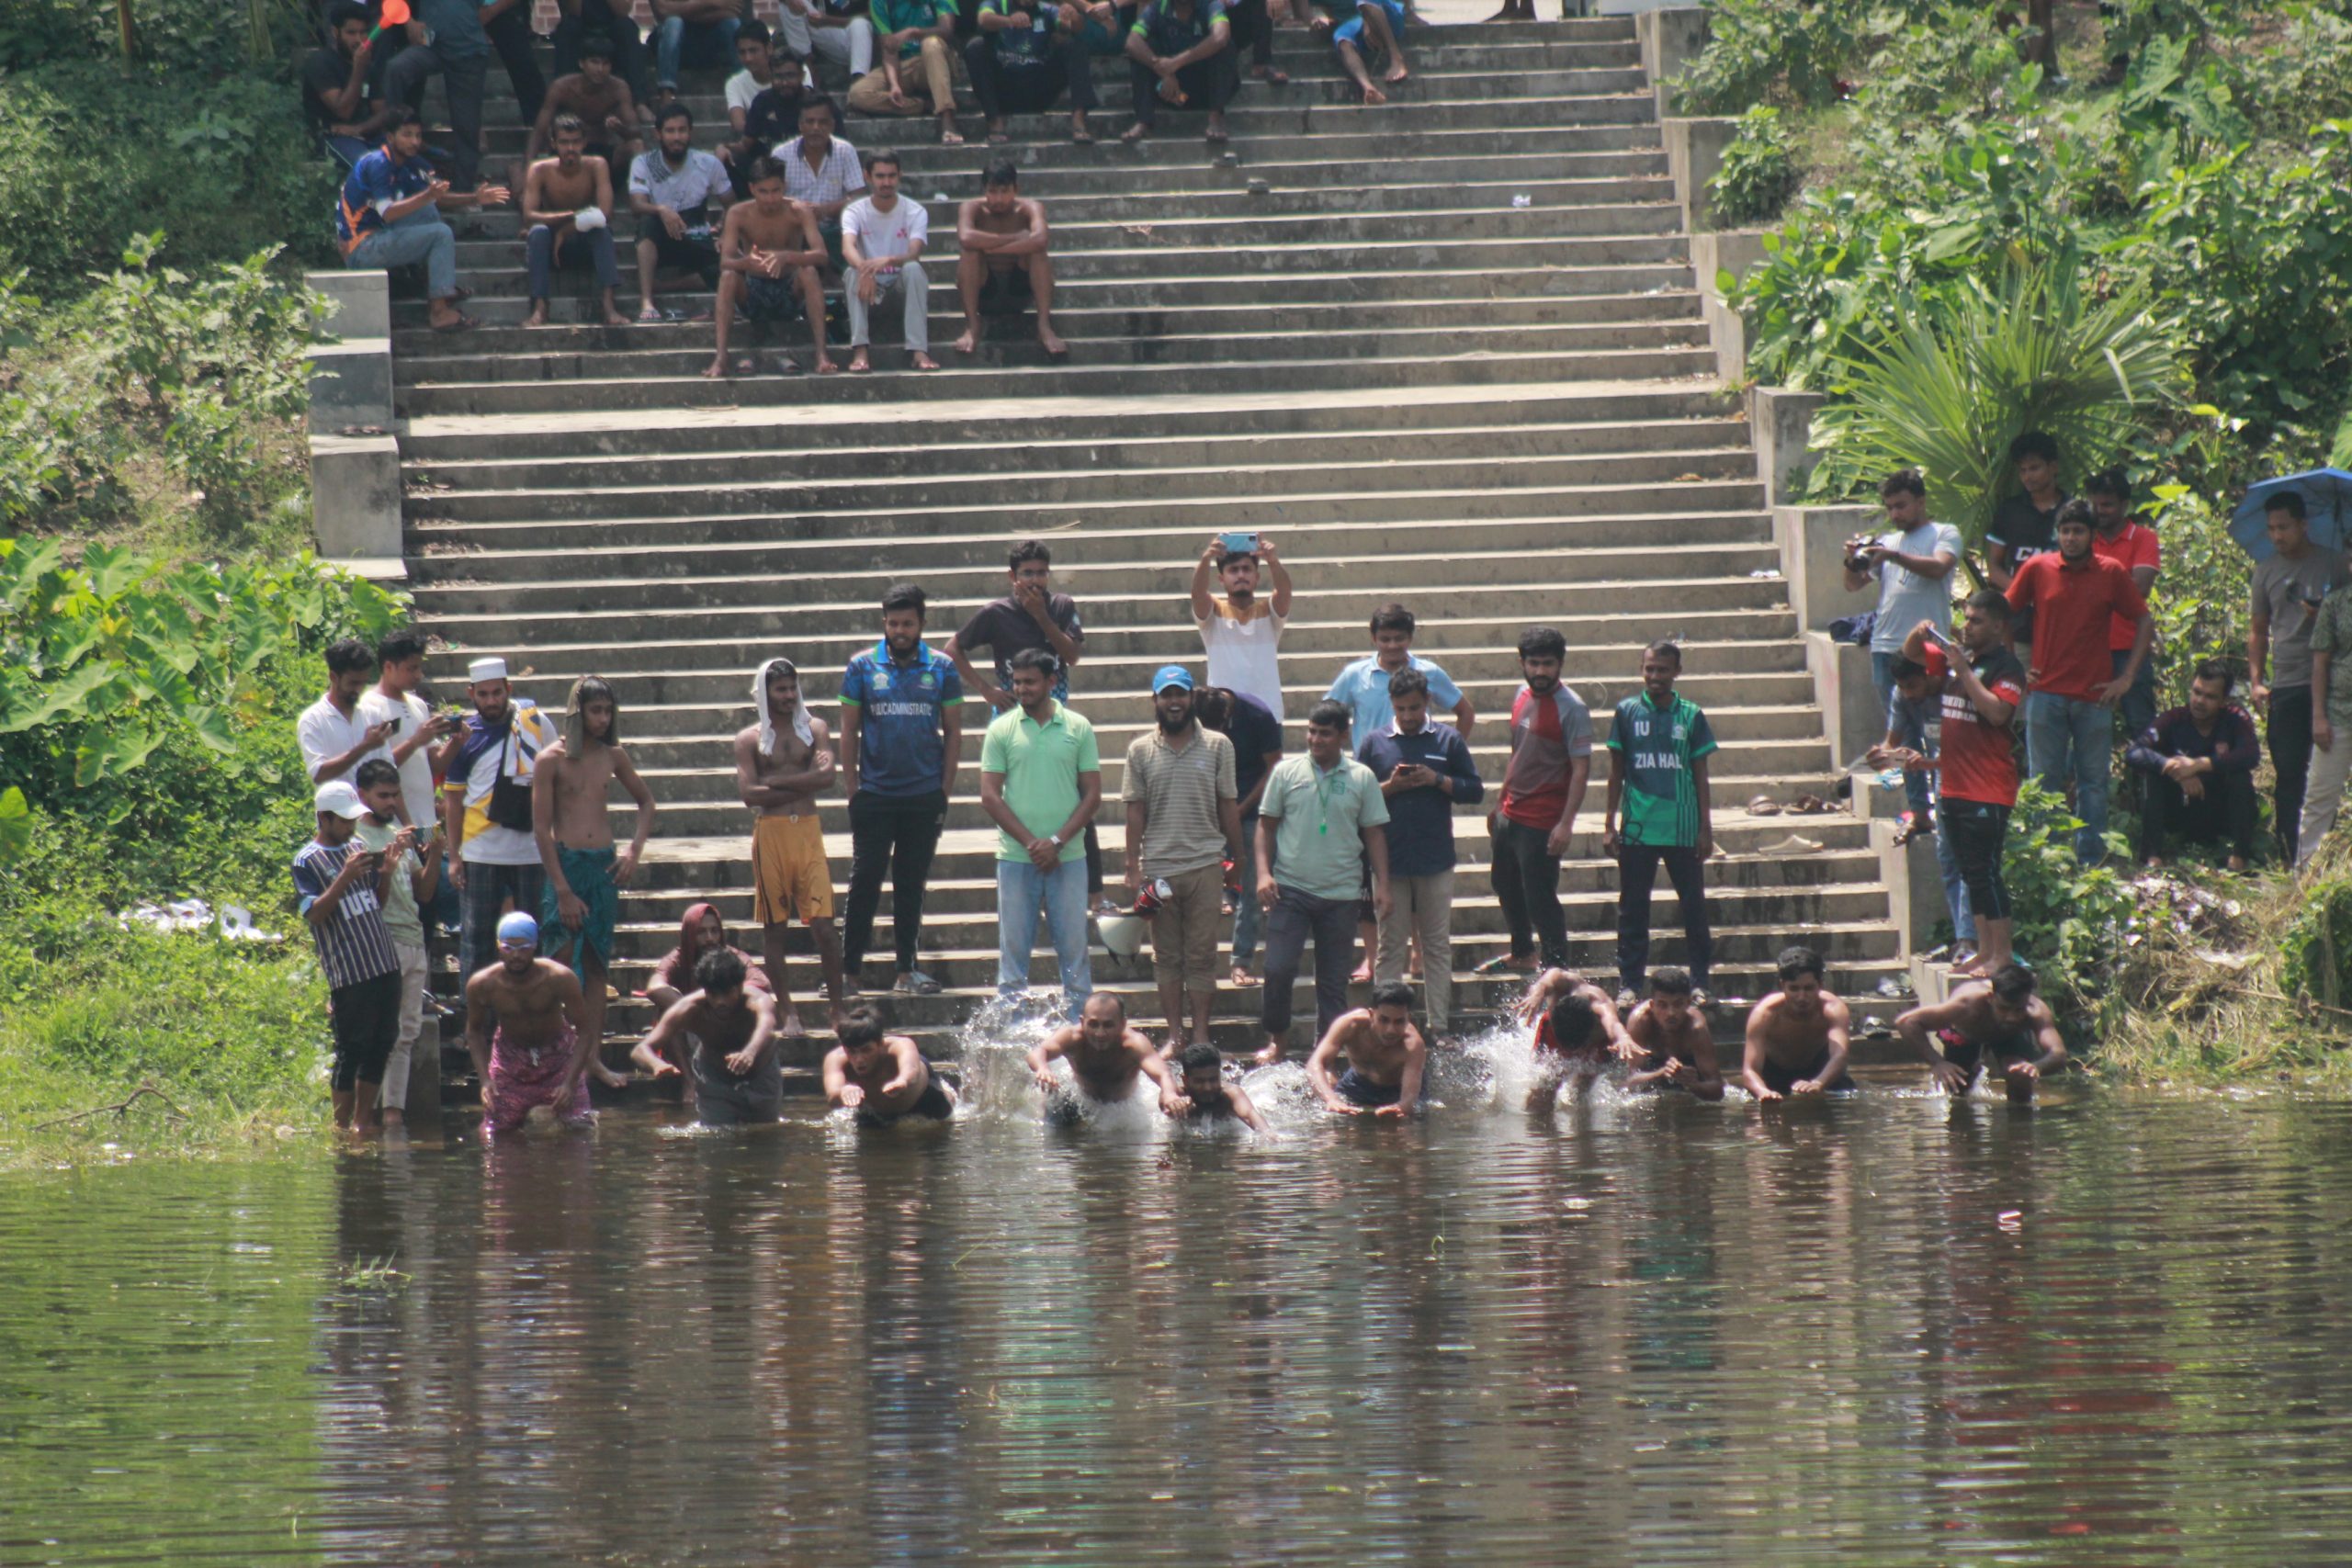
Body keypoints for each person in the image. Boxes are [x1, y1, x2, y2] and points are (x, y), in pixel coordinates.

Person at [2006, 499, 2154, 865]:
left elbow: (2144, 621)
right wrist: (2012, 668)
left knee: (2094, 785)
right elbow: (2003, 614)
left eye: (2078, 531)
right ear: (2057, 535)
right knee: (2044, 785)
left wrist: (2127, 678)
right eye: (2065, 531)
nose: (2071, 538)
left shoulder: (2111, 571)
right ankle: (2049, 863)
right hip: (2045, 694)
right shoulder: (2037, 568)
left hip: (2094, 697)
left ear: (2091, 536)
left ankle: (2092, 864)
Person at [840, 582, 964, 997]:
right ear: (884, 623)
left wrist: (942, 791)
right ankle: (848, 974)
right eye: (893, 623)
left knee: (911, 882)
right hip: (875, 794)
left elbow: (954, 732)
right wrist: (854, 789)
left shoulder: (943, 668)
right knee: (865, 881)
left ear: (922, 624)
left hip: (923, 794)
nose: (900, 631)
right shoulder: (861, 667)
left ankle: (906, 971)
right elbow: (849, 731)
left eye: (908, 623)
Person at [532, 676, 655, 1090]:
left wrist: (633, 852)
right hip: (565, 866)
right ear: (577, 713)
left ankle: (592, 1060)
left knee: (597, 968)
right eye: (595, 710)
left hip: (603, 868)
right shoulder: (550, 760)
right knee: (560, 963)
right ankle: (556, 1058)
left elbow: (646, 802)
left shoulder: (613, 756)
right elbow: (540, 828)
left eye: (607, 711)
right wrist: (562, 889)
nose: (602, 719)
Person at [1255, 699, 1391, 1063]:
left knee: (1332, 983)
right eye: (1312, 732)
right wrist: (1264, 873)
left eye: (1325, 733)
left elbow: (1375, 834)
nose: (1316, 740)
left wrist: (1384, 886)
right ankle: (1278, 1044)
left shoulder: (1361, 777)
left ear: (1344, 735)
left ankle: (1324, 1056)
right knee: (1278, 968)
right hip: (1291, 889)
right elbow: (1266, 826)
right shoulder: (1285, 772)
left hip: (1342, 894)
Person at [1903, 593, 2026, 977]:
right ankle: (1984, 950)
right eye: (1966, 618)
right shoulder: (1963, 660)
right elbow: (1910, 656)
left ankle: (2002, 954)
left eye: (1975, 621)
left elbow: (1996, 712)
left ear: (1997, 626)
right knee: (1971, 873)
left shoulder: (2006, 668)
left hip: (1987, 790)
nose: (1967, 626)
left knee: (1987, 872)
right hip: (1953, 787)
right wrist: (1918, 631)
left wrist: (1964, 673)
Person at [1122, 665, 1242, 1052]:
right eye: (1167, 695)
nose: (1174, 702)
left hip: (1206, 863)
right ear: (1154, 700)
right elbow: (1135, 811)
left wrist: (1237, 857)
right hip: (1159, 868)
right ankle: (1174, 1035)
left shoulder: (1219, 746)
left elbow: (1228, 804)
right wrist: (1132, 864)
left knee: (1203, 956)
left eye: (1181, 694)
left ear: (1192, 699)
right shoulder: (1139, 750)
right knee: (1167, 957)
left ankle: (1201, 1034)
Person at [1357, 667, 1481, 1035]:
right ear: (1391, 705)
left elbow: (1473, 790)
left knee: (1436, 946)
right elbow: (1357, 798)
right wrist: (1391, 787)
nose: (1408, 717)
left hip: (1435, 860)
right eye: (1401, 709)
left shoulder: (1449, 740)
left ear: (1428, 701)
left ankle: (1438, 1028)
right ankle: (1386, 1025)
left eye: (1414, 708)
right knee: (1389, 948)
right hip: (1389, 862)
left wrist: (1437, 780)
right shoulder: (1374, 743)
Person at [980, 649, 1102, 1015]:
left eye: (1030, 681)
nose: (1021, 689)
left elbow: (1093, 794)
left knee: (1075, 960)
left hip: (1069, 858)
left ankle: (1081, 1036)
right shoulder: (1001, 728)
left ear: (1052, 682)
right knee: (1012, 963)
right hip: (1017, 859)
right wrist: (1033, 843)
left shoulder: (1078, 727)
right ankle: (1011, 1039)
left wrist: (1057, 841)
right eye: (1016, 682)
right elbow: (989, 795)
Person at [1843, 468, 1960, 838]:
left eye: (1902, 505)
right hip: (1885, 649)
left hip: (1929, 654)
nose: (1895, 514)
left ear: (1921, 502)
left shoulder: (1943, 533)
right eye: (1890, 507)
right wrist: (1853, 559)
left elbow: (1940, 567)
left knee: (1940, 733)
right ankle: (1919, 813)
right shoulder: (1889, 541)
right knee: (1902, 737)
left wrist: (1893, 554)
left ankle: (1949, 807)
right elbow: (1852, 584)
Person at [736, 657, 846, 1034]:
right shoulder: (749, 739)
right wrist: (805, 778)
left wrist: (780, 785)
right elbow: (749, 794)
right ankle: (788, 1012)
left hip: (808, 834)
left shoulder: (814, 728)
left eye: (791, 688)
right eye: (779, 690)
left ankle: (837, 1009)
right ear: (765, 694)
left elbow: (829, 777)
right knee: (775, 929)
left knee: (826, 928)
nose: (787, 695)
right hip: (771, 835)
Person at [442, 656, 564, 991]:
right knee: (477, 941)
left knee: (534, 938)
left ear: (509, 688)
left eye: (497, 692)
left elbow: (559, 775)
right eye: (484, 694)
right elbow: (453, 800)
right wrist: (454, 857)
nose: (492, 700)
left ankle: (536, 1016)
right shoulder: (465, 737)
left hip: (531, 850)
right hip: (481, 852)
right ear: (472, 694)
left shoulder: (535, 723)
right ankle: (475, 1024)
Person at [1605, 640, 1716, 1006]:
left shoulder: (1691, 714)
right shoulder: (1626, 711)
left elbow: (1700, 773)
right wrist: (1609, 822)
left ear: (1676, 672)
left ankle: (1699, 982)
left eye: (1663, 670)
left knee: (1693, 908)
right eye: (1649, 669)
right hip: (1638, 828)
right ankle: (1630, 984)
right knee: (1633, 910)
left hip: (1682, 828)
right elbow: (1616, 771)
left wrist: (1705, 827)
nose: (1655, 677)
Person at [295, 780, 409, 1134]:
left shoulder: (358, 847)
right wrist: (343, 877)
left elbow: (376, 902)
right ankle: (341, 1125)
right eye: (343, 821)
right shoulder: (306, 861)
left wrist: (386, 875)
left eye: (352, 820)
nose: (350, 827)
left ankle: (363, 1120)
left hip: (382, 960)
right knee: (352, 1047)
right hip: (349, 969)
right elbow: (314, 913)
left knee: (383, 1040)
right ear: (324, 819)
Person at [335, 108, 509, 334]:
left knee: (427, 212)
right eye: (407, 135)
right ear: (390, 138)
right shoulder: (378, 163)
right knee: (441, 233)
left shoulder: (408, 163)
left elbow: (436, 198)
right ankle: (439, 313)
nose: (414, 141)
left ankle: (435, 286)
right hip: (361, 248)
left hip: (379, 236)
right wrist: (427, 196)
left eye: (418, 135)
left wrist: (475, 197)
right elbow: (387, 212)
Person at [1482, 626, 1593, 977]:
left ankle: (1557, 967)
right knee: (1504, 884)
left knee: (1540, 896)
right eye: (1534, 663)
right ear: (1522, 663)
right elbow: (1519, 753)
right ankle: (1523, 952)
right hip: (1510, 812)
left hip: (1543, 820)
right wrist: (1499, 803)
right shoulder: (1520, 695)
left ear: (1560, 664)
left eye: (1548, 664)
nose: (1541, 671)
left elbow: (1580, 769)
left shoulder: (1572, 708)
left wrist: (1566, 823)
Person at [2250, 490, 2352, 863]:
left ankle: (2331, 855)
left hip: (2337, 681)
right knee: (2289, 770)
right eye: (2271, 529)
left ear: (2303, 525)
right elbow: (2258, 629)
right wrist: (2257, 679)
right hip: (2290, 679)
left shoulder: (2335, 564)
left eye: (2284, 527)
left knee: (2327, 773)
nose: (2277, 535)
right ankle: (2290, 857)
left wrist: (2324, 616)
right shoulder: (2266, 571)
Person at [353, 761, 445, 1132]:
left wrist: (435, 852)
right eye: (383, 795)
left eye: (395, 795)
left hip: (412, 939)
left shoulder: (397, 833)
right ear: (363, 796)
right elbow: (367, 900)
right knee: (379, 1029)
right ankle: (370, 1112)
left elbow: (423, 893)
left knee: (407, 1030)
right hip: (381, 940)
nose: (391, 802)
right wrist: (388, 864)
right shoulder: (356, 838)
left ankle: (394, 1111)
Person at [1866, 656, 1974, 964]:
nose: (1909, 693)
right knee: (1947, 858)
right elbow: (1894, 744)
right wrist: (1881, 756)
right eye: (1902, 687)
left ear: (1932, 676)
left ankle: (1970, 938)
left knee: (1965, 856)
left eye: (1913, 685)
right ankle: (1962, 938)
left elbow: (1973, 750)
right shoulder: (1903, 696)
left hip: (1971, 776)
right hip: (1942, 773)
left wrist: (1928, 763)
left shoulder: (1956, 690)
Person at [385, 0, 538, 197]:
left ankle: (463, 189)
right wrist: (408, 21)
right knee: (396, 68)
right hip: (430, 45)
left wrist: (487, 13)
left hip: (469, 51)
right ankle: (389, 144)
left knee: (467, 126)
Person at [463, 912, 597, 1134]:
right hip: (510, 1061)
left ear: (535, 946)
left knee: (580, 1129)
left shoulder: (559, 977)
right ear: (498, 947)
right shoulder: (483, 984)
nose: (516, 955)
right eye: (508, 948)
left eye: (523, 948)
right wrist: (485, 1080)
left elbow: (585, 1031)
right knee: (494, 1132)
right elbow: (474, 1033)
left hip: (558, 1058)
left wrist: (570, 1082)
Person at [703, 154, 836, 377]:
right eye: (763, 192)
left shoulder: (798, 211)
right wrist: (745, 263)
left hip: (788, 289)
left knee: (810, 272)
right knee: (728, 277)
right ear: (752, 189)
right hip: (753, 288)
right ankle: (721, 357)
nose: (770, 198)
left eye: (775, 191)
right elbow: (725, 261)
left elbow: (821, 255)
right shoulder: (738, 213)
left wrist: (787, 257)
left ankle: (822, 355)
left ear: (784, 187)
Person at [2130, 660, 2260, 871]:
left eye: (2210, 697)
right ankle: (2151, 855)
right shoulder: (2174, 719)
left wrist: (2201, 764)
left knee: (2240, 777)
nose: (2200, 701)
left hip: (2219, 812)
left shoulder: (2235, 719)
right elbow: (2135, 751)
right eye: (2197, 692)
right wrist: (2172, 768)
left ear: (2224, 701)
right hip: (2180, 809)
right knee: (2152, 774)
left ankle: (2239, 857)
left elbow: (2251, 755)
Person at [1194, 683, 1283, 986]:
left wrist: (1241, 809)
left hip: (1252, 805)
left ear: (1228, 714)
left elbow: (1274, 767)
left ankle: (1241, 961)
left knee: (1252, 887)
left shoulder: (1258, 715)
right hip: (1207, 804)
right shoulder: (1193, 714)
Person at [634, 948, 785, 1123]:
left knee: (765, 1135)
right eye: (713, 995)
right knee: (716, 1138)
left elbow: (767, 1027)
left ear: (740, 987)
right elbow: (641, 1049)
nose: (720, 1002)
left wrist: (749, 1053)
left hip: (761, 1076)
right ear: (705, 990)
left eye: (727, 993)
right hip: (714, 1080)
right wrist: (656, 1064)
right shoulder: (688, 1008)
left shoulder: (758, 1001)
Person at [1897, 963, 2067, 1101]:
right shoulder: (1966, 1005)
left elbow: (2058, 1053)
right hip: (1965, 1035)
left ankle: (2020, 1133)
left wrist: (2036, 1067)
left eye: (2019, 1010)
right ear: (1990, 998)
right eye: (2004, 1008)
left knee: (2020, 1075)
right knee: (1958, 1090)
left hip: (2010, 1038)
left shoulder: (2036, 1011)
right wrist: (1937, 1062)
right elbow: (1906, 1022)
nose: (2011, 1017)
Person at [521, 115, 630, 331]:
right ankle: (540, 306)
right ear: (553, 144)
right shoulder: (539, 169)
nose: (570, 148)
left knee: (602, 232)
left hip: (584, 242)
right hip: (551, 245)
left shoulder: (597, 165)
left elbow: (606, 213)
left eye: (575, 142)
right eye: (564, 142)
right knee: (538, 233)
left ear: (584, 142)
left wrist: (568, 228)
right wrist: (565, 220)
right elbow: (528, 215)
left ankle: (609, 306)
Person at [953, 163, 1069, 357]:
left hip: (1019, 291)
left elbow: (1040, 239)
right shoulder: (972, 208)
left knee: (1037, 251)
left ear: (1016, 189)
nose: (998, 199)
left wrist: (990, 247)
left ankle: (1044, 326)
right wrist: (1014, 238)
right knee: (970, 252)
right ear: (984, 191)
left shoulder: (1030, 208)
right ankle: (972, 326)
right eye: (992, 191)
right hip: (985, 293)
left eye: (1005, 191)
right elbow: (965, 237)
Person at [630, 103, 732, 321]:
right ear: (658, 134)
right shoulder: (643, 163)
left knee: (723, 266)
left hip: (695, 231)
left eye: (682, 130)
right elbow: (637, 205)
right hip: (659, 230)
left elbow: (732, 205)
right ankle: (646, 300)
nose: (677, 137)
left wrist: (724, 233)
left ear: (690, 132)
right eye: (670, 131)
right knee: (647, 223)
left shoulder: (708, 163)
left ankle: (665, 287)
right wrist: (661, 210)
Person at [357, 629, 461, 840]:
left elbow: (432, 766)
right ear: (388, 667)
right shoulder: (369, 707)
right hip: (395, 827)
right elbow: (374, 771)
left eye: (419, 667)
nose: (418, 675)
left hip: (427, 821)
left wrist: (456, 743)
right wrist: (415, 741)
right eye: (411, 668)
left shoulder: (418, 705)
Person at [2086, 467, 2163, 744]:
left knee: (2141, 726)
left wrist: (2090, 586)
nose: (2099, 510)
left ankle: (2150, 787)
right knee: (2088, 729)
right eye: (2094, 504)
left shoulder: (2143, 538)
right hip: (2089, 649)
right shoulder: (2083, 537)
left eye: (2106, 504)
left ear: (2124, 505)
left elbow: (2139, 588)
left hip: (2131, 648)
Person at [842, 151, 938, 372]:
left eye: (891, 176)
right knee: (851, 273)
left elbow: (914, 253)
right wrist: (865, 271)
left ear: (900, 176)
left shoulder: (915, 211)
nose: (886, 182)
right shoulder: (854, 211)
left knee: (914, 269)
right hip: (868, 289)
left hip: (899, 288)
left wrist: (888, 261)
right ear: (867, 177)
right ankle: (860, 350)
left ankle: (918, 351)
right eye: (880, 176)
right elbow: (848, 248)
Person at [1326, 602, 1474, 745]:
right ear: (1374, 638)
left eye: (1399, 639)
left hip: (1417, 766)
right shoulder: (1355, 675)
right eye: (1385, 639)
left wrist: (1450, 753)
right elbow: (1326, 716)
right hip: (1370, 767)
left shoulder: (1429, 673)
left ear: (1410, 638)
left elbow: (1465, 712)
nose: (1392, 645)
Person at [1027, 992, 1183, 1116]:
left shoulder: (1133, 1043)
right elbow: (1037, 1052)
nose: (1100, 1033)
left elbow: (1163, 1073)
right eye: (1093, 1024)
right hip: (1081, 1101)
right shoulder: (1072, 1037)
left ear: (1123, 1024)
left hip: (1122, 1111)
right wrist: (1043, 1068)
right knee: (1054, 1104)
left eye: (1108, 1025)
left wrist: (1170, 1094)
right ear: (1082, 1022)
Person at [965, 0, 1098, 145]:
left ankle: (1079, 121)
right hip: (1005, 88)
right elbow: (983, 20)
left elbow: (1072, 27)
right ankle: (994, 122)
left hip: (1037, 86)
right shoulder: (995, 4)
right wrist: (1009, 21)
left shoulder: (1047, 10)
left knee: (1075, 46)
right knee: (975, 47)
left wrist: (1073, 16)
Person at [1191, 535, 1291, 723]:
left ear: (1257, 576)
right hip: (1221, 715)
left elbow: (1285, 592)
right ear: (1221, 578)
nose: (1241, 575)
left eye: (1247, 569)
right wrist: (1206, 559)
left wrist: (1273, 560)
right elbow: (1197, 594)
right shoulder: (1213, 613)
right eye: (1233, 570)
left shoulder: (1270, 612)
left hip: (1267, 713)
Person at [521, 37, 642, 191]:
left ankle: (641, 195)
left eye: (605, 63)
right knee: (525, 171)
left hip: (602, 153)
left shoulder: (618, 88)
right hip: (567, 154)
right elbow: (539, 131)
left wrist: (620, 129)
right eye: (594, 62)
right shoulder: (562, 87)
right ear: (582, 63)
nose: (600, 69)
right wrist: (528, 171)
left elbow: (636, 133)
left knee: (636, 146)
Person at [1984, 430, 2067, 649]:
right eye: (2023, 470)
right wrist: (2023, 593)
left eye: (2035, 468)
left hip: (2065, 625)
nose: (2028, 476)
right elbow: (1993, 566)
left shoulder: (2073, 511)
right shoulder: (2009, 511)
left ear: (2053, 467)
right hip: (2019, 627)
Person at [1739, 945, 1854, 1101]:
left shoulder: (1833, 1009)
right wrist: (1762, 1092)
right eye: (1794, 989)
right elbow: (1750, 1070)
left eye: (1809, 988)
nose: (1801, 997)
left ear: (1820, 985)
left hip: (1819, 1069)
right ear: (1782, 986)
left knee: (1846, 1100)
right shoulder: (1765, 1013)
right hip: (1774, 1073)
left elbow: (1840, 1056)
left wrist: (1818, 1083)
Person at [847, 0, 966, 143]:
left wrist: (913, 32)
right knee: (857, 94)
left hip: (936, 59)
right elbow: (889, 49)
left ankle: (947, 116)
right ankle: (922, 105)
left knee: (931, 43)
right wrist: (894, 85)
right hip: (903, 64)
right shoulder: (879, 2)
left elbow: (946, 30)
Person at [1305, 982, 1426, 1116]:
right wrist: (1331, 1099)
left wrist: (1402, 1107)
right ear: (1371, 1014)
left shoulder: (1413, 1044)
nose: (1390, 1030)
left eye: (1399, 1022)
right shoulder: (1351, 1025)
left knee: (1408, 1128)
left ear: (1408, 1018)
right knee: (1328, 1117)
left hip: (1397, 1090)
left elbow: (1408, 1098)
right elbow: (1314, 1064)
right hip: (1357, 1083)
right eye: (1384, 1020)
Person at [1123, 0, 1236, 143]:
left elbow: (1221, 36)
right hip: (1173, 93)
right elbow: (1131, 41)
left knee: (1225, 47)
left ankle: (1216, 118)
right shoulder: (1157, 7)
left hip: (1206, 90)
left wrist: (1176, 63)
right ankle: (1143, 121)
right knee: (1142, 49)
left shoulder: (1211, 4)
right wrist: (1164, 72)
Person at [826, 1006, 958, 1123]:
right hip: (878, 1111)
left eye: (866, 1050)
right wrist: (843, 1091)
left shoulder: (900, 1045)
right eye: (852, 1052)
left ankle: (947, 1094)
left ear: (880, 1044)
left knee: (944, 1115)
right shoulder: (836, 1059)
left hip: (920, 1097)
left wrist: (902, 1081)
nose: (859, 1059)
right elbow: (832, 1096)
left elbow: (911, 1069)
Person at [776, 97, 865, 272]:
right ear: (800, 125)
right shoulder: (781, 154)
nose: (816, 127)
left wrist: (825, 210)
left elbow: (858, 197)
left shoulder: (845, 151)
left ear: (832, 125)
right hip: (795, 226)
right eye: (810, 122)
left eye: (822, 122)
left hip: (835, 225)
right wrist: (802, 210)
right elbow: (772, 196)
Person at [304, 1, 394, 173]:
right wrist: (358, 69)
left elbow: (382, 112)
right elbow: (343, 111)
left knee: (408, 161)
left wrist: (359, 129)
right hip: (334, 137)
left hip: (367, 133)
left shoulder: (370, 64)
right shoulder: (321, 63)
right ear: (335, 33)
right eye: (351, 33)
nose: (359, 40)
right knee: (370, 167)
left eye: (363, 33)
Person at [646, 902, 771, 1022]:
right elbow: (654, 987)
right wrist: (693, 1008)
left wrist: (725, 995)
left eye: (714, 931)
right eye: (701, 932)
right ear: (689, 934)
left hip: (725, 1020)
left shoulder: (731, 956)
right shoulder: (678, 958)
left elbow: (761, 982)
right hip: (690, 1021)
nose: (709, 938)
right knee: (665, 1010)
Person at [299, 637, 393, 788]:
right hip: (337, 812)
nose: (359, 690)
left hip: (373, 812)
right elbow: (319, 774)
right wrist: (364, 747)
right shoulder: (313, 719)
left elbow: (389, 772)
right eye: (353, 683)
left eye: (363, 683)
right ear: (333, 677)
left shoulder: (373, 715)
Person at [1623, 967, 1723, 1100]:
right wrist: (1661, 1073)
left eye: (1677, 1004)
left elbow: (1718, 1089)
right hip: (1654, 1069)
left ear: (1688, 1003)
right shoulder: (1640, 1021)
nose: (1671, 1013)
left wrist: (1693, 1085)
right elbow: (1631, 1084)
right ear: (1652, 1005)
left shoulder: (1695, 1028)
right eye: (1663, 1005)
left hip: (1690, 1071)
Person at [731, 53, 815, 200]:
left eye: (790, 76)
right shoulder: (763, 101)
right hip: (772, 168)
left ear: (802, 75)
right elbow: (746, 144)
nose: (784, 82)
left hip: (809, 163)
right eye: (778, 77)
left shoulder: (817, 103)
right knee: (731, 160)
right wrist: (725, 149)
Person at [553, 0, 653, 110]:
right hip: (580, 25)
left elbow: (623, 11)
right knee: (568, 27)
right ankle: (564, 104)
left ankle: (640, 102)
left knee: (627, 27)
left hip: (613, 26)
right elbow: (574, 11)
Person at [1513, 965, 1632, 1056]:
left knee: (1584, 1079)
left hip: (1592, 1041)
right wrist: (1537, 993)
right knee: (1544, 1082)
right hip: (1556, 1031)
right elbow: (1550, 976)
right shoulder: (1565, 986)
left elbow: (1613, 1024)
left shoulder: (1598, 1003)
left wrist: (1622, 1037)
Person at [1313, 0, 1408, 107]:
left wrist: (1366, 21)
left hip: (1386, 14)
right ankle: (1368, 88)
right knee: (1342, 39)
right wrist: (1320, 19)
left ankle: (1396, 58)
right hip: (1354, 24)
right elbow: (1320, 12)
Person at [653, 0, 747, 106]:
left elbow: (733, 12)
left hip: (711, 43)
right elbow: (663, 10)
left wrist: (683, 10)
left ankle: (742, 91)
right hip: (678, 46)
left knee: (733, 24)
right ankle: (667, 94)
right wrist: (710, 3)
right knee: (673, 23)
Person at [782, 0, 879, 88]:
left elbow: (877, 16)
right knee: (788, 3)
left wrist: (829, 20)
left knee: (860, 24)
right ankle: (808, 67)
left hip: (866, 39)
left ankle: (859, 81)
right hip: (832, 34)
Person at [1171, 1042, 1267, 1129]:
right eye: (1200, 1081)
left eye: (1213, 1080)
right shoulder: (1177, 1095)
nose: (1208, 1088)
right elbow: (1164, 1103)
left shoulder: (1230, 1093)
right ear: (1185, 1080)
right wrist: (1176, 1106)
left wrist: (1267, 1134)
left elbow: (1249, 1114)